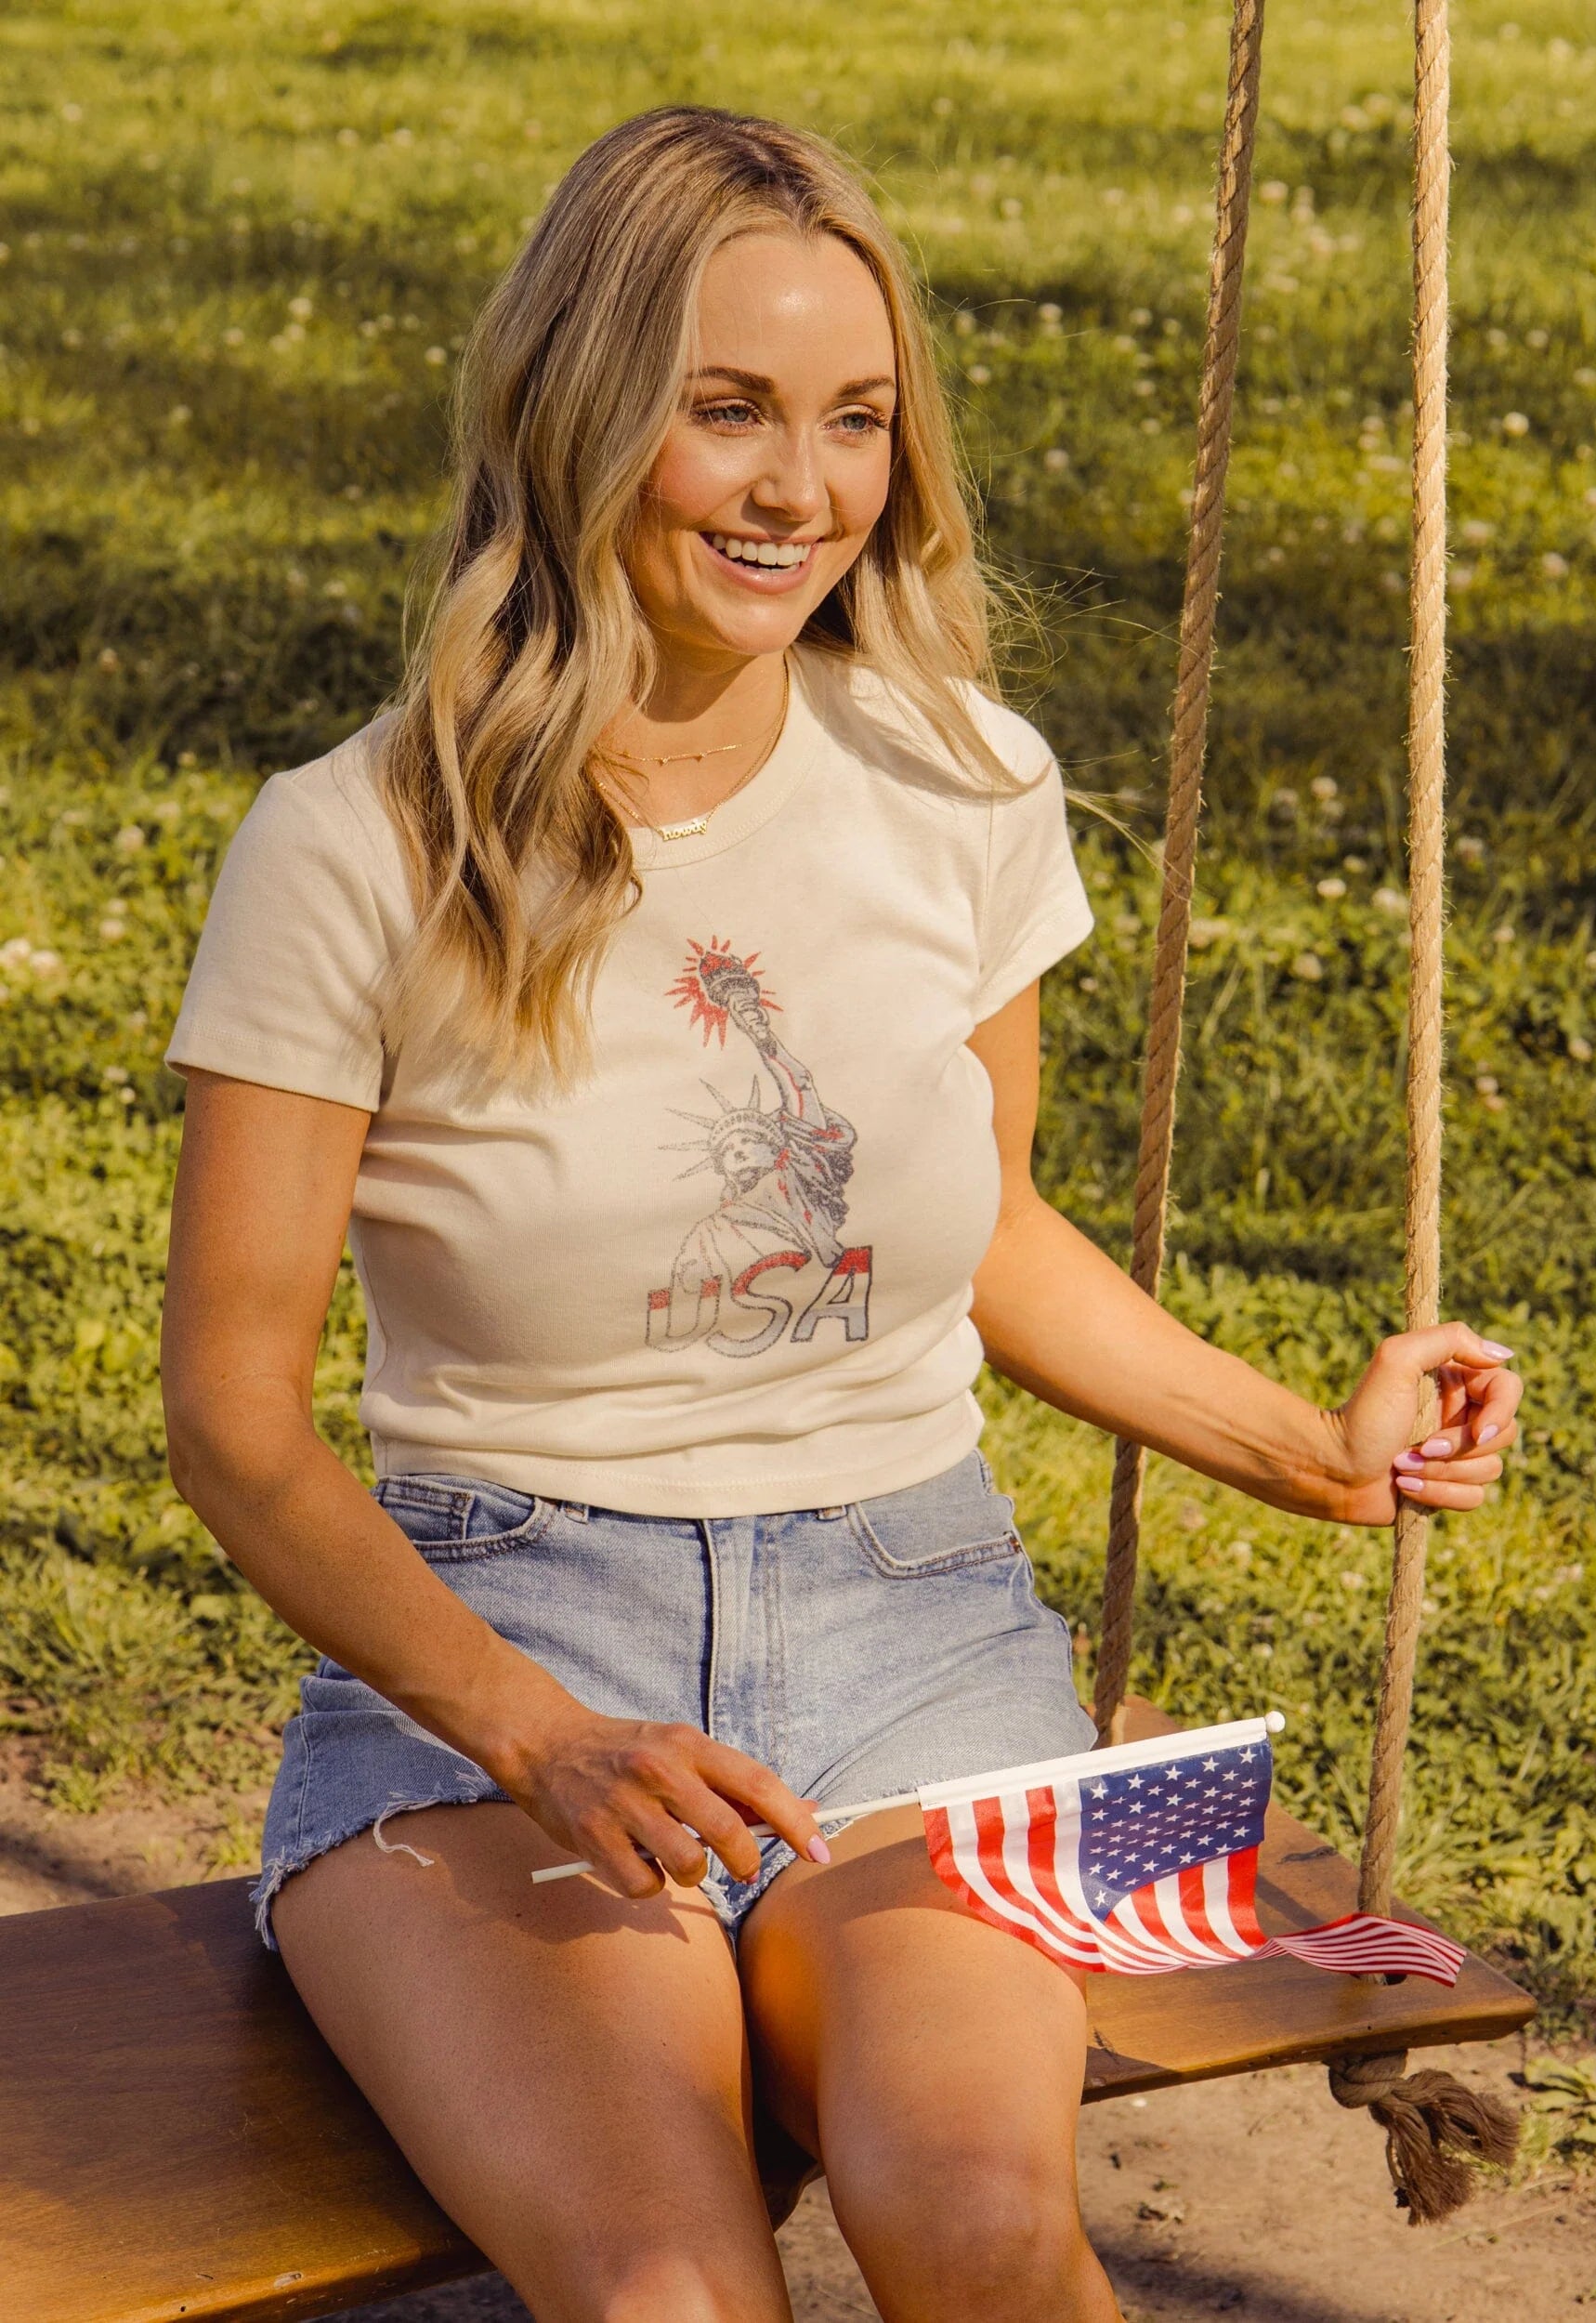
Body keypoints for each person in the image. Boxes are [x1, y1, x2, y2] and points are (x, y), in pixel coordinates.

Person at [159, 107, 1521, 2323]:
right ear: (579, 409)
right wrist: (532, 1728)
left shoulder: (955, 779)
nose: (800, 488)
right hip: (506, 1652)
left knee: (976, 2224)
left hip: (920, 1636)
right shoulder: (354, 848)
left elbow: (977, 1228)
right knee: (661, 2286)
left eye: (855, 420)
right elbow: (235, 1416)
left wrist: (1308, 1451)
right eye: (727, 413)